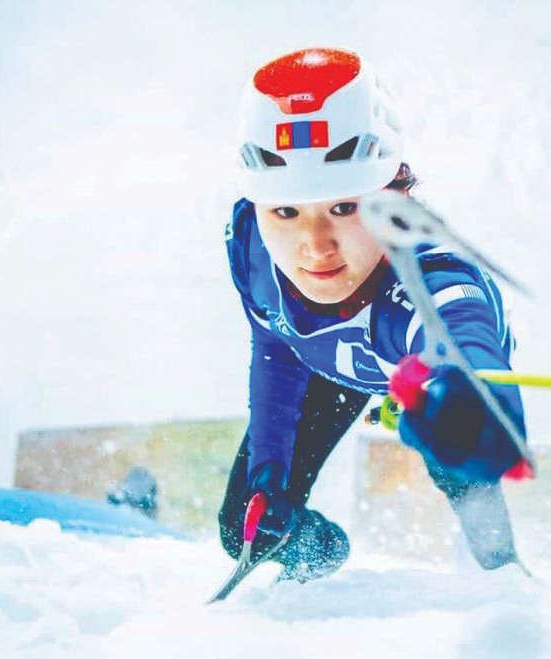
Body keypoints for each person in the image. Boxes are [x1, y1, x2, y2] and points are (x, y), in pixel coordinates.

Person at [218, 47, 527, 583]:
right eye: (287, 212)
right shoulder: (251, 242)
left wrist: (480, 400)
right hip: (327, 371)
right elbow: (276, 344)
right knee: (244, 527)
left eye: (344, 207)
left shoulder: (431, 277)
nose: (316, 248)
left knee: (457, 449)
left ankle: (503, 573)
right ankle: (321, 552)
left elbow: (464, 333)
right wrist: (268, 472)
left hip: (421, 378)